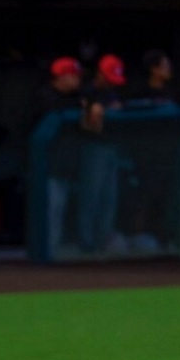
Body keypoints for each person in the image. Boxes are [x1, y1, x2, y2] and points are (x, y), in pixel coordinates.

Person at [31, 56, 85, 255]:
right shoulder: (45, 96)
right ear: (61, 76)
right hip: (47, 168)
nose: (78, 80)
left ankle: (58, 250)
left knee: (63, 212)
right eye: (73, 75)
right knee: (51, 212)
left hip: (70, 166)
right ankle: (47, 253)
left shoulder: (78, 96)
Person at [78, 53, 127, 253]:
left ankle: (102, 241)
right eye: (109, 77)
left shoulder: (112, 93)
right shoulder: (87, 91)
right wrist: (93, 107)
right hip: (92, 148)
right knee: (91, 196)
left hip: (112, 148)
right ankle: (86, 243)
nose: (111, 82)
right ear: (100, 73)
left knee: (109, 198)